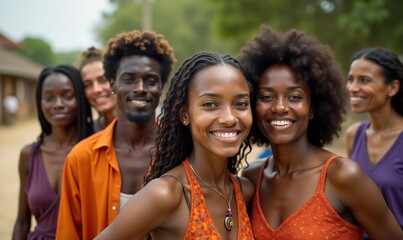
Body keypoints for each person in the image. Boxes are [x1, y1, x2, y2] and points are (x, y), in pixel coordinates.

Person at [238, 26, 403, 239]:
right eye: (267, 97)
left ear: (313, 108)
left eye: (295, 97)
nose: (279, 107)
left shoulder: (343, 176)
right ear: (253, 105)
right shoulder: (253, 177)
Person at [95, 52, 255, 239]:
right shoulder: (165, 194)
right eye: (210, 104)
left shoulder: (244, 191)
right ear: (184, 114)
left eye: (241, 103)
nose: (229, 118)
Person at [56, 30, 176, 240]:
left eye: (150, 80)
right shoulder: (81, 158)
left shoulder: (180, 152)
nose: (140, 88)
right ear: (112, 84)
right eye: (129, 79)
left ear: (161, 86)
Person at [345, 47, 403, 240]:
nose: (353, 88)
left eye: (364, 80)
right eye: (351, 79)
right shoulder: (353, 135)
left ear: (393, 88)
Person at [12, 65, 93, 240]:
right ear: (40, 103)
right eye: (48, 98)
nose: (58, 104)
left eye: (68, 96)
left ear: (81, 98)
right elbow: (22, 222)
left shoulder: (96, 150)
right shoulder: (29, 155)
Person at [78, 46, 117, 132]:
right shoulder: (87, 132)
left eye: (103, 80)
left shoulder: (145, 125)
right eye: (88, 85)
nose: (96, 89)